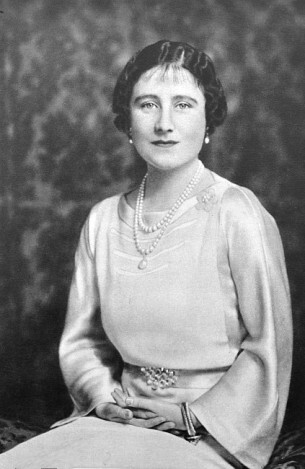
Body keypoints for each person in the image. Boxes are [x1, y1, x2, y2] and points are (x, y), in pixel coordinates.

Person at [0, 39, 292, 469]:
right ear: (127, 122)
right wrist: (104, 400)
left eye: (184, 105)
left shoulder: (238, 213)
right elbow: (83, 341)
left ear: (208, 120)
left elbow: (269, 347)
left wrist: (192, 416)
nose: (165, 124)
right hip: (119, 420)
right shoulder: (102, 220)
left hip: (206, 433)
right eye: (148, 104)